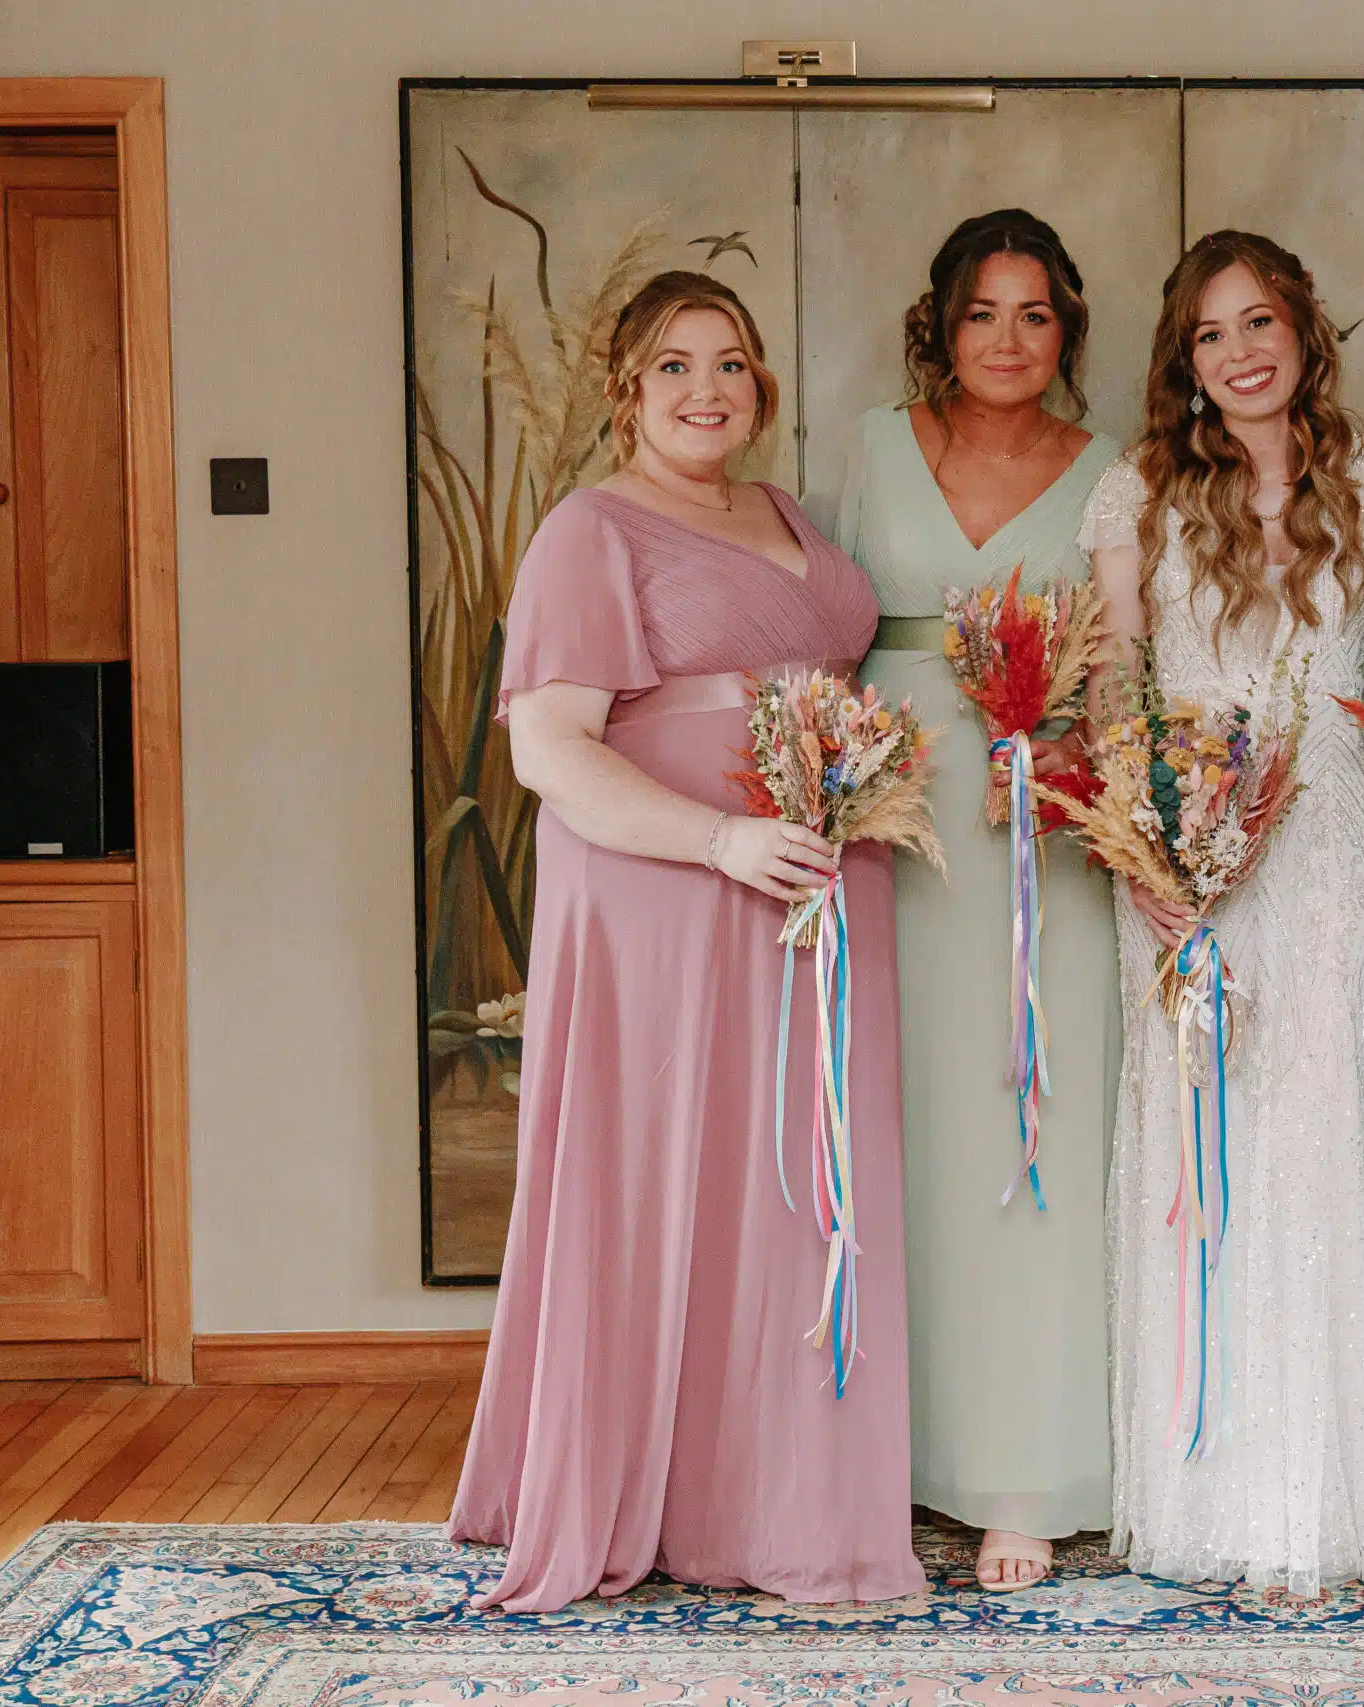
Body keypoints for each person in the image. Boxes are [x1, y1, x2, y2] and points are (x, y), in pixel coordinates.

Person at [448, 270, 926, 1613]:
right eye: (673, 366)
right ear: (626, 392)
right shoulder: (588, 529)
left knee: (795, 1193)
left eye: (728, 363)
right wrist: (720, 842)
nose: (705, 388)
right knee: (668, 1177)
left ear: (760, 384)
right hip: (672, 897)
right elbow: (550, 750)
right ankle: (654, 1490)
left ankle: (780, 1498)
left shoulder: (785, 514)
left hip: (820, 886)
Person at [1081, 230, 1364, 1595]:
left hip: (1330, 844)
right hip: (1189, 854)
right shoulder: (1137, 493)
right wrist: (1143, 853)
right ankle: (1202, 1498)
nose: (1240, 353)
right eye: (1211, 334)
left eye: (1261, 321)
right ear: (1183, 360)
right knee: (1201, 1159)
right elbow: (1110, 690)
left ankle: (1308, 1514)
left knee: (1317, 1146)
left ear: (1303, 332)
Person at [834, 210, 1121, 1592]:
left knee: (1033, 1121)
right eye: (981, 314)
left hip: (1039, 831)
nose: (1007, 342)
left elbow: (1130, 660)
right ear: (939, 322)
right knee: (906, 1128)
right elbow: (822, 637)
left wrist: (1079, 764)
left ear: (1066, 330)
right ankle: (883, 1460)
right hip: (894, 820)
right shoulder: (872, 447)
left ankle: (1024, 1466)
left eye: (1035, 316)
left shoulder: (1112, 471)